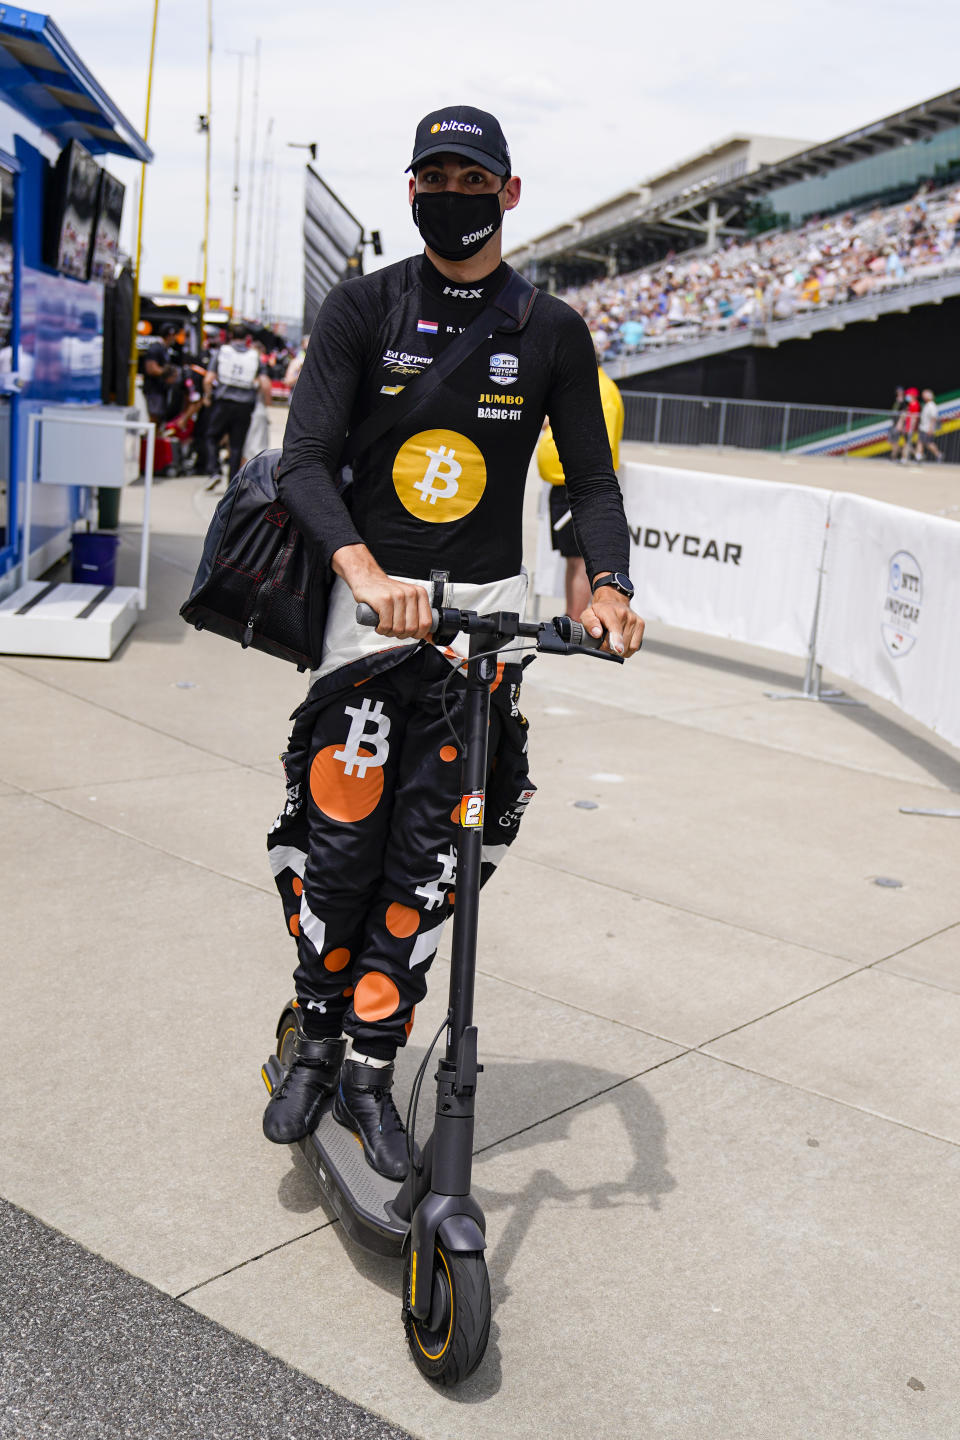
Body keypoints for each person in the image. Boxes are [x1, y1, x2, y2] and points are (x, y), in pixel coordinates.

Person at [260, 104, 644, 1181]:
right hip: (366, 619)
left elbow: (590, 481)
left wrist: (605, 587)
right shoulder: (362, 306)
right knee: (340, 839)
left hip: (481, 629)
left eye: (474, 179)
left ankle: (375, 1065)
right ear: (412, 187)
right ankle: (317, 1032)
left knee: (428, 862)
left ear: (510, 194)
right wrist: (367, 574)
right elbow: (301, 466)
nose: (452, 194)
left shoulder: (552, 329)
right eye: (434, 175)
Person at [538, 364, 625, 619]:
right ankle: (571, 614)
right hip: (566, 482)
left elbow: (599, 442)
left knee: (578, 559)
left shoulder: (600, 388)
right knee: (571, 557)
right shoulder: (584, 381)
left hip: (578, 485)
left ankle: (574, 618)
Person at [203, 321, 267, 488]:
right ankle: (232, 483)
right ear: (247, 338)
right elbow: (263, 383)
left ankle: (214, 469)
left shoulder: (221, 352)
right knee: (237, 444)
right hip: (245, 405)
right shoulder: (255, 356)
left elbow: (208, 379)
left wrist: (208, 397)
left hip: (223, 402)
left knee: (211, 436)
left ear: (230, 336)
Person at [141, 322, 179, 423]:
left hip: (161, 389)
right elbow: (151, 369)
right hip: (154, 389)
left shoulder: (164, 349)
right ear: (170, 335)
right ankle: (151, 437)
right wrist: (168, 372)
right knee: (155, 416)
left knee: (160, 416)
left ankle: (156, 437)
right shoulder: (156, 348)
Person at [916, 389, 943, 463]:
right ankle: (918, 457)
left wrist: (930, 428)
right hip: (923, 427)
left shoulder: (932, 405)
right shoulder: (927, 405)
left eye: (924, 395)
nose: (923, 397)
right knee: (920, 442)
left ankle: (939, 455)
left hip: (927, 428)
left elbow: (934, 418)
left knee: (929, 443)